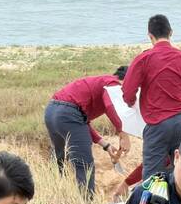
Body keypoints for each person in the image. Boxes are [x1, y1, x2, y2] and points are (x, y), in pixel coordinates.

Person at [122, 14, 181, 181]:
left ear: (150, 36)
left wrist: (131, 102)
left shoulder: (143, 58)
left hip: (157, 124)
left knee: (152, 176)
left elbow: (128, 91)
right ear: (171, 32)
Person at [44, 66, 131, 196]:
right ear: (127, 79)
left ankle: (52, 196)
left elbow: (82, 123)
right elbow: (109, 105)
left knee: (59, 158)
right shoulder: (113, 83)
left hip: (51, 111)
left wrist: (106, 145)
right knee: (85, 165)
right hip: (68, 114)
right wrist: (123, 133)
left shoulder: (102, 82)